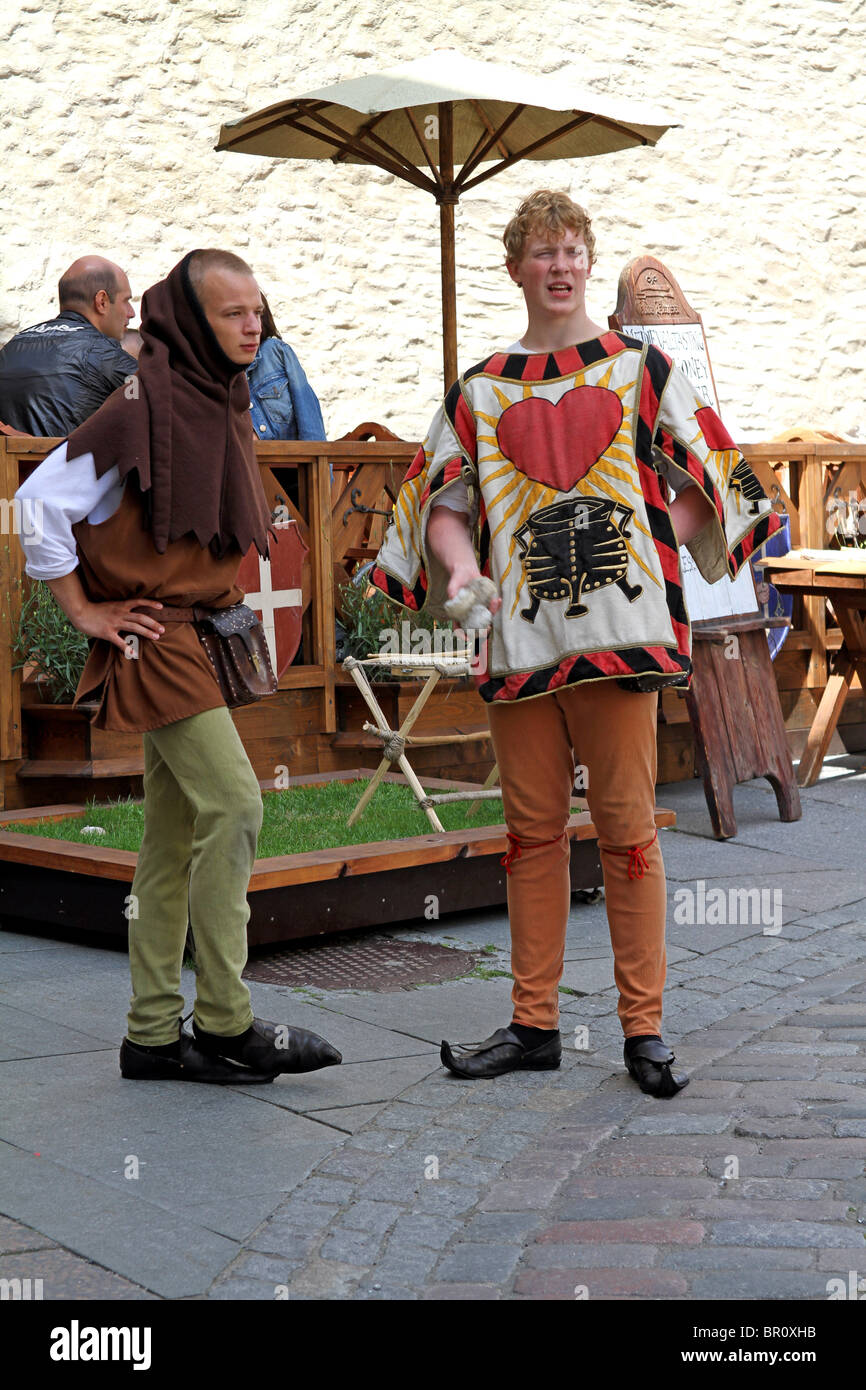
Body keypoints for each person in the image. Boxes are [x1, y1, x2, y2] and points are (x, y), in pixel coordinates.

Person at [371, 190, 782, 1098]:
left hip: (619, 636)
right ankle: (534, 1023)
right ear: (515, 267)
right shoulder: (480, 388)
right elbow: (441, 507)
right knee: (530, 837)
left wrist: (660, 532)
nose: (558, 267)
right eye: (541, 253)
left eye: (571, 251)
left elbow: (715, 470)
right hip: (520, 641)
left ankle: (644, 1030)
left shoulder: (640, 367)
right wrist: (457, 571)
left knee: (629, 833)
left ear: (588, 263)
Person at [15, 249, 341, 1084]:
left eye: (257, 310)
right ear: (191, 321)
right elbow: (39, 500)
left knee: (170, 839)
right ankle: (228, 1023)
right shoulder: (141, 403)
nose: (252, 325)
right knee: (234, 806)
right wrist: (85, 612)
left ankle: (153, 1035)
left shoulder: (217, 396)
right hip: (161, 642)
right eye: (233, 313)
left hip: (200, 634)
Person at [0, 257, 138, 435]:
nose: (131, 313)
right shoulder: (103, 353)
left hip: (12, 462)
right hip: (62, 461)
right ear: (102, 301)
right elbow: (161, 407)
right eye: (126, 300)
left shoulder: (11, 347)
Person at [246, 294, 326, 441]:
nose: (250, 326)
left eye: (257, 314)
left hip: (292, 461)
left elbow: (310, 421)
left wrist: (319, 463)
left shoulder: (275, 352)